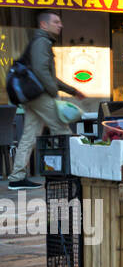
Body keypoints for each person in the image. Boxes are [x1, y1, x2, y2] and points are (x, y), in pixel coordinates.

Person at [7, 11, 83, 190]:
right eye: (56, 22)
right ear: (44, 25)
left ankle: (16, 178)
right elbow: (42, 72)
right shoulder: (42, 42)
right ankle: (75, 170)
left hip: (32, 95)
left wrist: (71, 90)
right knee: (61, 127)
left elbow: (47, 75)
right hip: (39, 94)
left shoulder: (41, 41)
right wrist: (53, 94)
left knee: (29, 135)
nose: (60, 25)